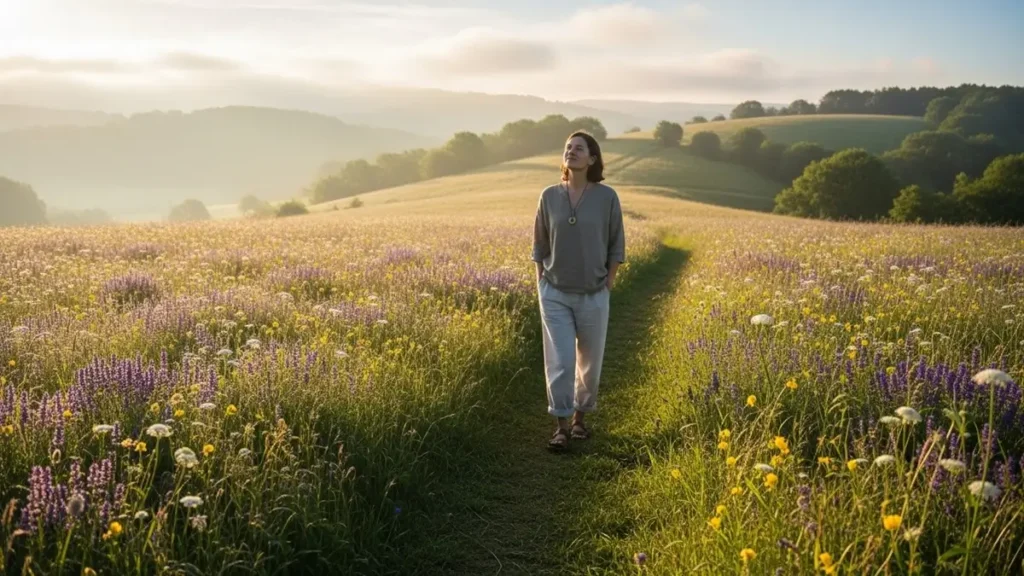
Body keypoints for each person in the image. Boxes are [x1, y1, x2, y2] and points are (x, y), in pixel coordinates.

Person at [531, 130, 625, 450]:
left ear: (592, 158)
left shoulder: (607, 197)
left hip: (594, 294)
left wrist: (608, 283)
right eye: (568, 147)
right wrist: (541, 281)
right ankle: (559, 426)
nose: (571, 151)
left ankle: (580, 420)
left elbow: (616, 244)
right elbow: (539, 244)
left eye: (579, 148)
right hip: (554, 292)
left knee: (590, 362)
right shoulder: (548, 195)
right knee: (560, 360)